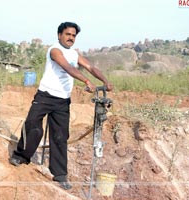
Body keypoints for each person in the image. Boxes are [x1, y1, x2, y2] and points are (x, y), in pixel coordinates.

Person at [9, 22, 113, 190]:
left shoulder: (74, 53)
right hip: (45, 96)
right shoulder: (54, 50)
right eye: (67, 34)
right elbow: (66, 67)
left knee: (60, 136)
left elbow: (90, 67)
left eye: (73, 35)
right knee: (32, 125)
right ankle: (21, 156)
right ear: (59, 35)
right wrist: (86, 81)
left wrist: (105, 81)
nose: (71, 38)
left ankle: (59, 174)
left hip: (62, 100)